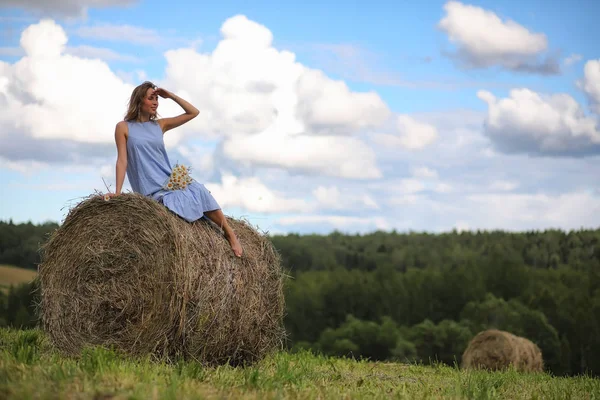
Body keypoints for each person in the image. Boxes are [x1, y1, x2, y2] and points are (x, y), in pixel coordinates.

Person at [109, 81, 243, 258]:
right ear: (139, 101)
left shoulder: (159, 125)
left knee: (199, 190)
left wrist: (170, 95)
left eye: (157, 98)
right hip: (150, 190)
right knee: (176, 205)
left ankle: (229, 233)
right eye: (151, 98)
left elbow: (193, 112)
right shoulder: (123, 127)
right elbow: (122, 160)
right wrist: (117, 193)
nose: (156, 102)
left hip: (170, 181)